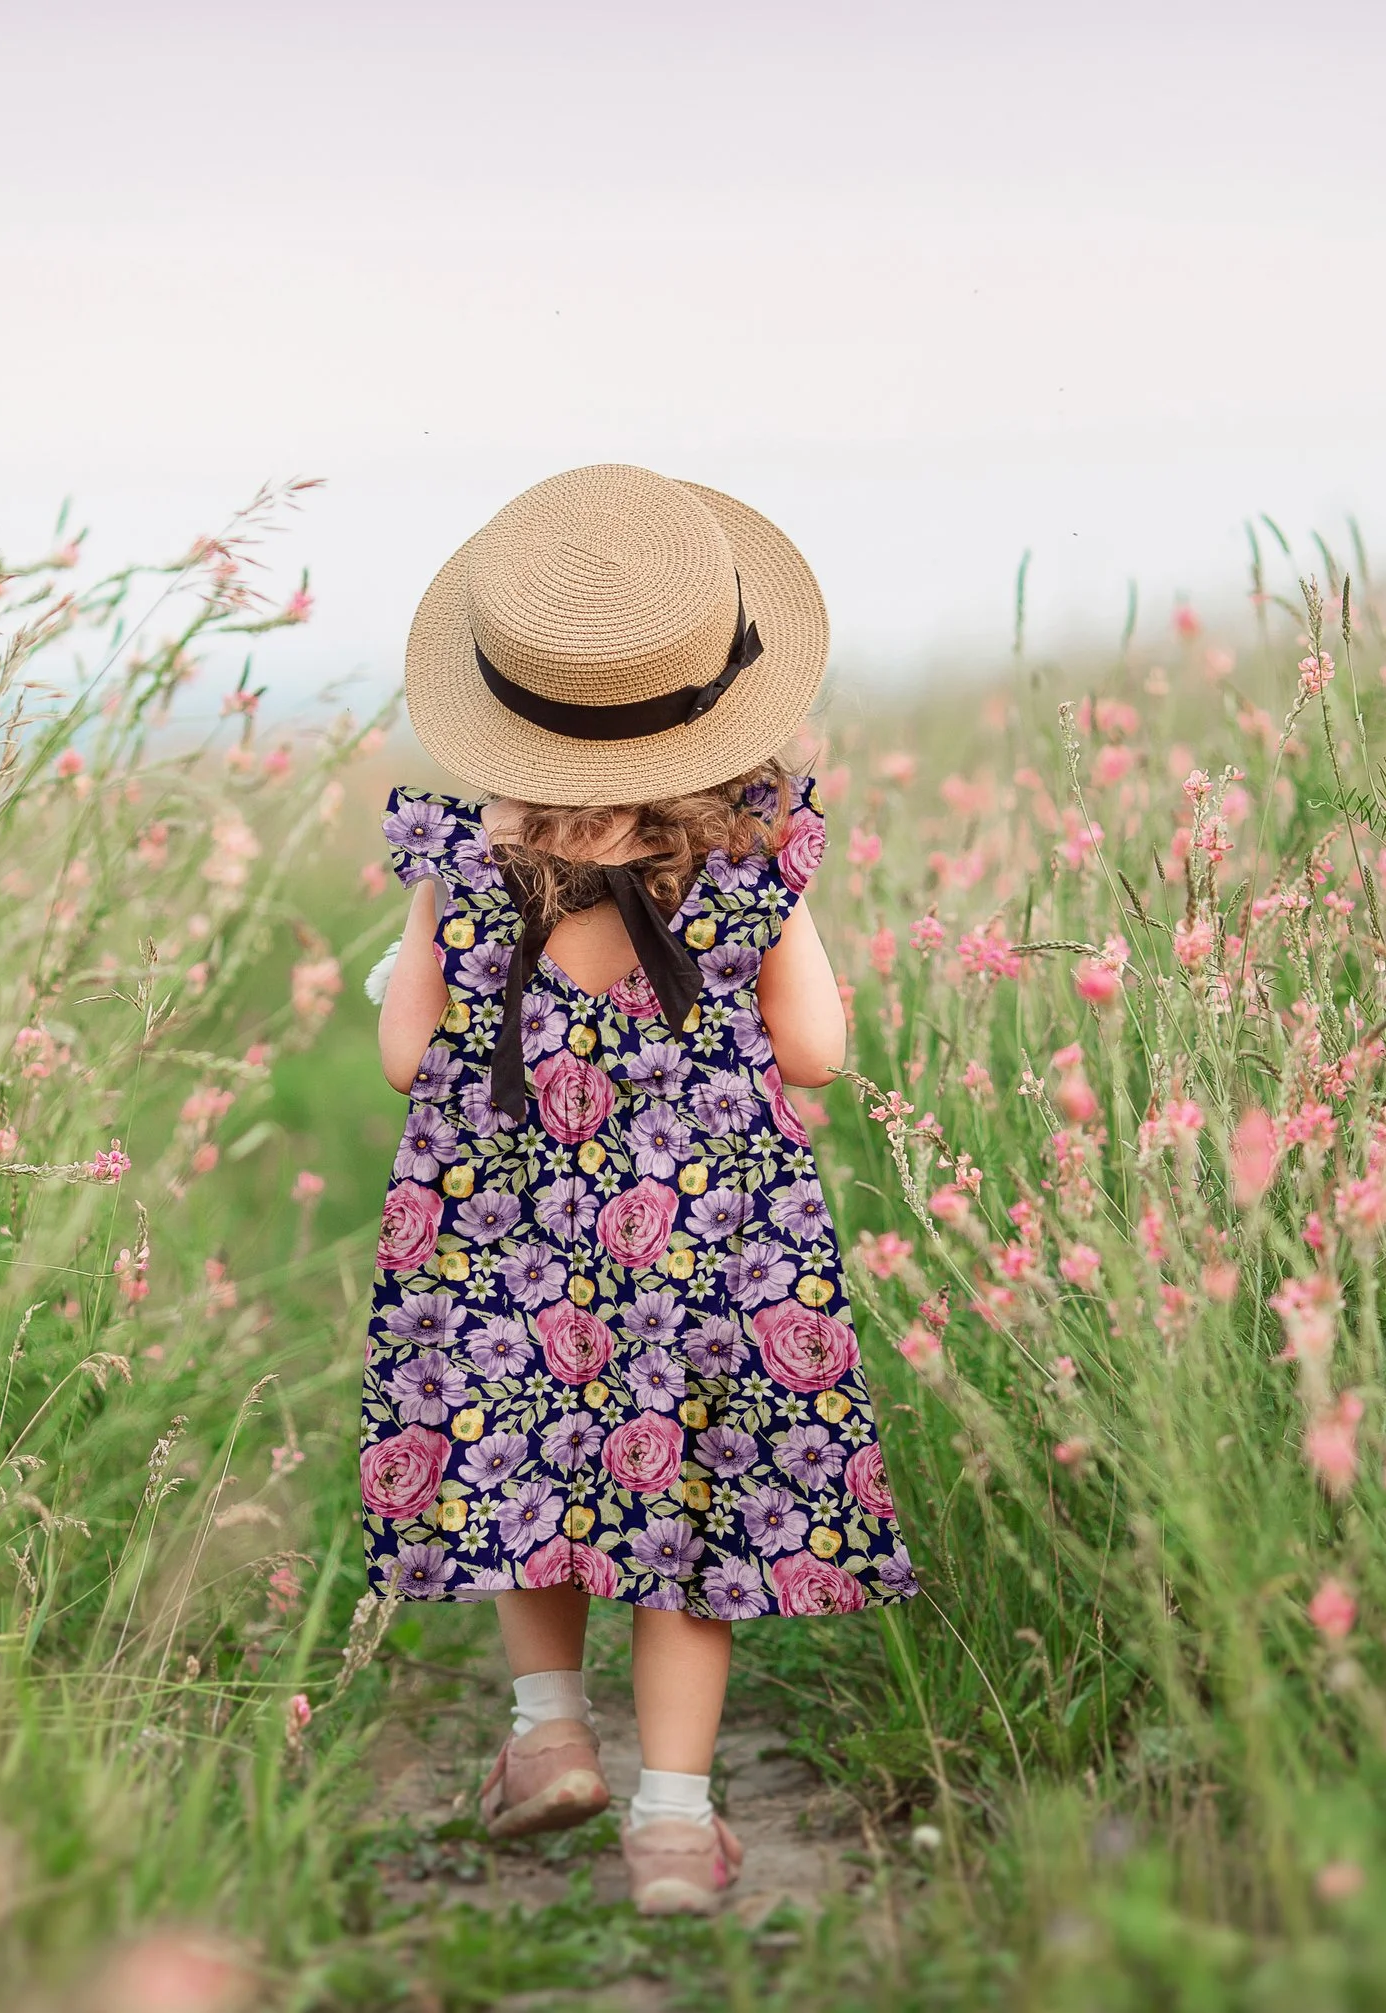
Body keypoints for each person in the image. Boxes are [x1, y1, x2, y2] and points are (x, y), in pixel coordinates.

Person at [360, 464, 916, 1917]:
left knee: (514, 1455)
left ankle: (546, 1734)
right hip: (713, 1243)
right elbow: (819, 1049)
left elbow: (410, 1049)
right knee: (690, 1522)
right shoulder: (753, 855)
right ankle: (676, 1825)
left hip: (504, 1231)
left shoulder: (460, 849)